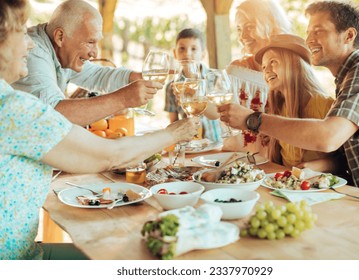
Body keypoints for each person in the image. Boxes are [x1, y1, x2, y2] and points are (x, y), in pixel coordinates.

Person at [0, 0, 198, 259]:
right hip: (14, 260)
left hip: (24, 251)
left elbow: (95, 74)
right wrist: (174, 133)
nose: (29, 42)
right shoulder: (13, 108)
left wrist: (136, 78)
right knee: (135, 259)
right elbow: (108, 155)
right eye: (20, 34)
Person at [219, 1, 359, 196]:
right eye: (308, 32)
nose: (309, 39)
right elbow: (346, 153)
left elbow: (328, 138)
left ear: (349, 36)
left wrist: (253, 119)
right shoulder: (346, 80)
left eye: (318, 31)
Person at [12, 0, 162, 127]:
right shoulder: (33, 52)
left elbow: (97, 75)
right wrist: (123, 99)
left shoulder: (62, 51)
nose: (95, 53)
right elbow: (54, 116)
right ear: (60, 36)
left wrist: (136, 77)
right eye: (90, 42)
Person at [208, 0, 292, 154]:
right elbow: (214, 112)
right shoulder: (235, 72)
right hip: (237, 163)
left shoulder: (293, 70)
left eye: (250, 27)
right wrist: (194, 97)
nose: (242, 36)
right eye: (239, 29)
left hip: (279, 165)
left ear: (271, 25)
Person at [253, 33, 341, 172]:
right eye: (263, 67)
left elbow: (347, 160)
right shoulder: (278, 108)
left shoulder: (324, 104)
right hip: (287, 186)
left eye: (273, 62)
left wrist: (319, 166)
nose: (267, 71)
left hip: (324, 188)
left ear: (294, 64)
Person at [164, 28, 222, 143]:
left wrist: (193, 94)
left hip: (216, 145)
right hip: (190, 146)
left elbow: (219, 113)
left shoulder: (215, 78)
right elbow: (173, 122)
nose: (187, 53)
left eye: (194, 49)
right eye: (182, 49)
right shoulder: (172, 86)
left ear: (203, 54)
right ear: (174, 53)